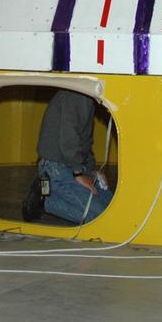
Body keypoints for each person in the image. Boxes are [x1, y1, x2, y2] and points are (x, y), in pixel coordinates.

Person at [22, 89, 113, 224]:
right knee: (101, 218)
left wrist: (91, 170)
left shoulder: (87, 99)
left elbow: (84, 140)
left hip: (71, 164)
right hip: (55, 167)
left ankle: (48, 191)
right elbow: (68, 138)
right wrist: (78, 173)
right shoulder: (76, 96)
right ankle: (45, 199)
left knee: (111, 208)